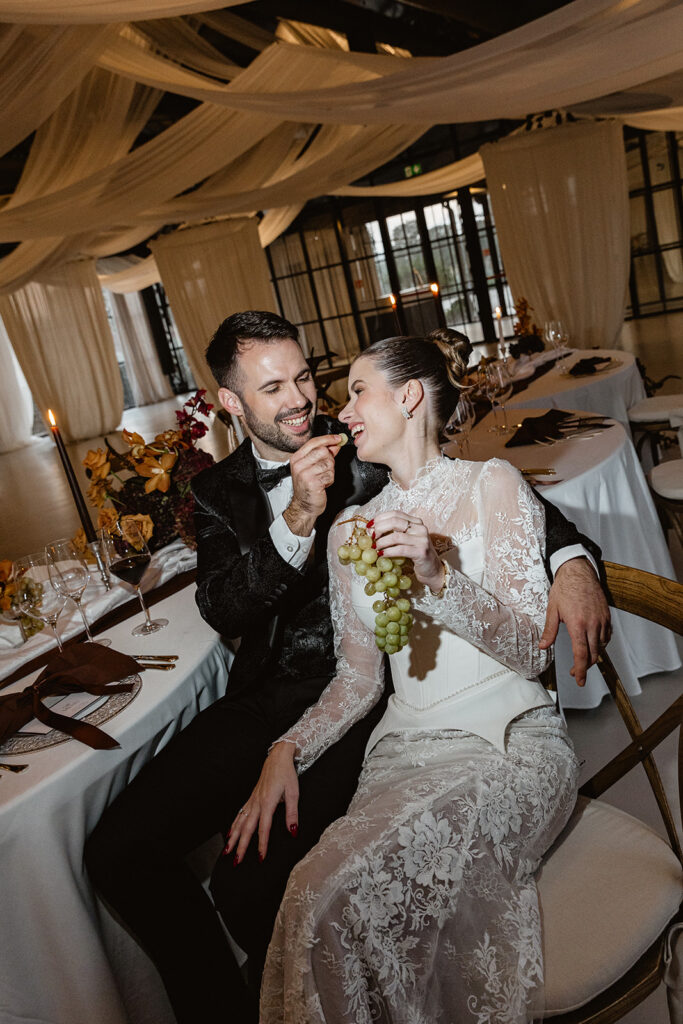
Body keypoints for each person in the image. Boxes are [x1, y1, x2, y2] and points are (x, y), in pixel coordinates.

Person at [84, 312, 609, 1024]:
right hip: (284, 693)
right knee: (118, 851)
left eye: (305, 377)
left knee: (264, 890)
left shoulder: (368, 440)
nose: (304, 399)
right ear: (231, 402)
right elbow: (224, 609)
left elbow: (512, 511)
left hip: (397, 701)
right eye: (274, 387)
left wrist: (571, 561)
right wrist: (298, 516)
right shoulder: (217, 492)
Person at [222, 331, 586, 1023]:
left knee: (333, 899)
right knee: (310, 892)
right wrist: (287, 747)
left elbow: (531, 654)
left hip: (509, 744)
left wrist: (437, 577)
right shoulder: (349, 530)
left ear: (410, 395)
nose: (341, 410)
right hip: (404, 754)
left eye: (358, 391)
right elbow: (358, 681)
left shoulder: (492, 485)